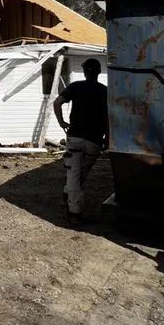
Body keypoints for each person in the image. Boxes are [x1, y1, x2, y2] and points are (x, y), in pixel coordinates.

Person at [53, 57, 108, 224]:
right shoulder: (105, 91)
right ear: (99, 72)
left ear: (84, 72)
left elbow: (57, 102)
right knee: (80, 173)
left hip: (75, 137)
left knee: (74, 174)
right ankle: (73, 208)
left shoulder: (75, 87)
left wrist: (61, 122)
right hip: (94, 139)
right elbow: (110, 118)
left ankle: (72, 209)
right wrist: (109, 138)